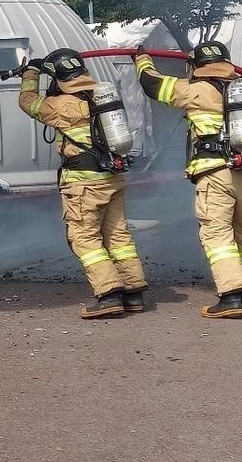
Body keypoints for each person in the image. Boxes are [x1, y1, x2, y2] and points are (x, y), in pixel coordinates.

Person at [134, 40, 242, 319]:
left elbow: (151, 84)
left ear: (195, 66)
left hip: (215, 173)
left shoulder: (193, 90)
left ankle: (230, 295)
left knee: (217, 234)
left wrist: (142, 58)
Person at [16, 48, 147, 319]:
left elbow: (28, 101)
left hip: (83, 183)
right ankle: (133, 292)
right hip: (113, 177)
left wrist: (30, 73)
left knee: (84, 237)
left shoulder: (59, 105)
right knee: (118, 236)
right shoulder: (102, 95)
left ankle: (109, 294)